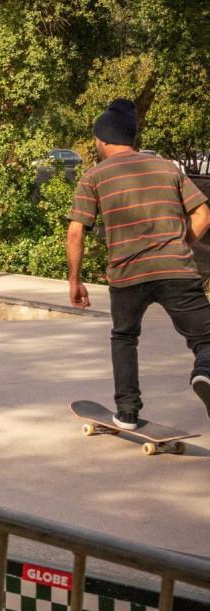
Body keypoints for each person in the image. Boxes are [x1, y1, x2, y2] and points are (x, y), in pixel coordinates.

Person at [67, 98, 210, 428]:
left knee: (125, 337)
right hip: (176, 270)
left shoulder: (94, 177)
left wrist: (75, 280)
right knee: (205, 339)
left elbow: (76, 233)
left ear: (102, 139)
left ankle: (128, 412)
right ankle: (204, 373)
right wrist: (180, 243)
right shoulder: (167, 169)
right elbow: (203, 214)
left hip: (128, 274)